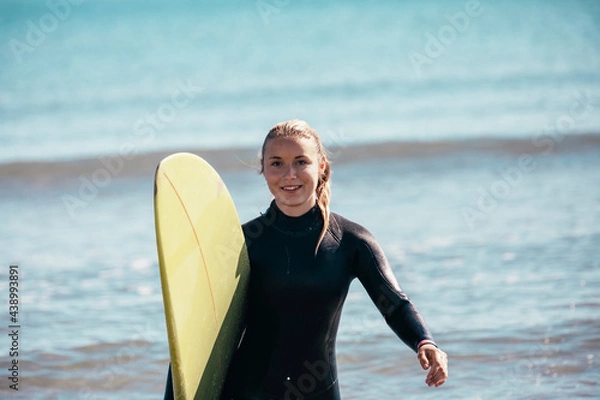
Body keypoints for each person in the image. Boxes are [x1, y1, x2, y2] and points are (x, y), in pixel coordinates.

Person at [165, 119, 448, 399]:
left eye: (301, 161)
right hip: (247, 393)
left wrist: (425, 342)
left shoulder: (351, 241)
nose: (290, 174)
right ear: (262, 169)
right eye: (276, 163)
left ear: (321, 165)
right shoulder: (241, 243)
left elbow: (395, 304)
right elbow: (195, 337)